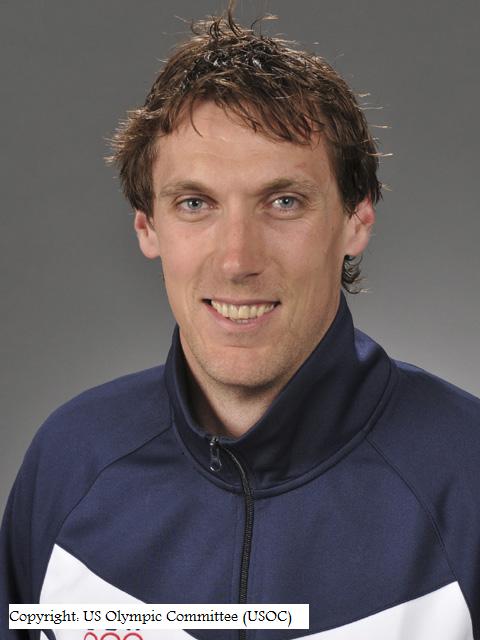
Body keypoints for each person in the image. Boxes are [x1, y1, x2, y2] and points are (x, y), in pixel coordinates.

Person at [2, 6, 479, 640]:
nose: (237, 260)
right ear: (148, 226)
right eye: (194, 203)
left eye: (283, 201)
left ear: (356, 220)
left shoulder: (470, 479)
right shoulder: (70, 461)